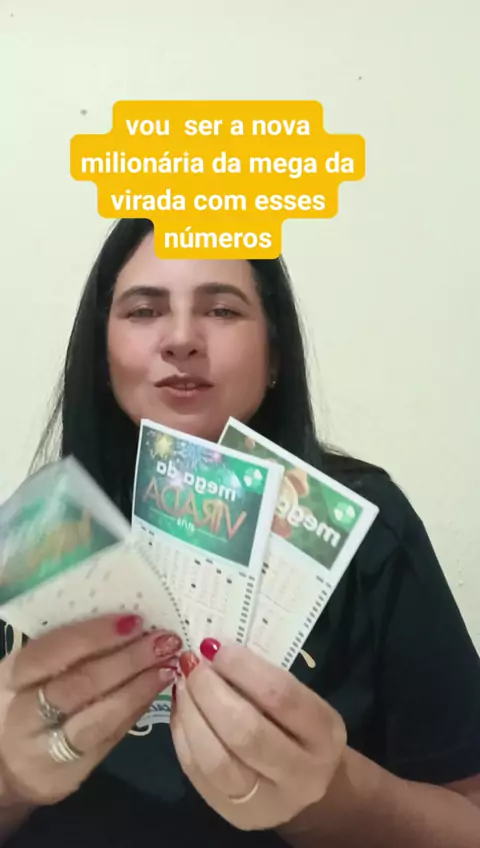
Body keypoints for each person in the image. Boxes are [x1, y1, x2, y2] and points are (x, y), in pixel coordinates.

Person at [0, 219, 479, 847]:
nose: (181, 338)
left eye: (222, 309)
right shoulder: (38, 539)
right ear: (101, 352)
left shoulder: (370, 528)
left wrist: (333, 798)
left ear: (275, 355)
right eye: (144, 310)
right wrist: (10, 783)